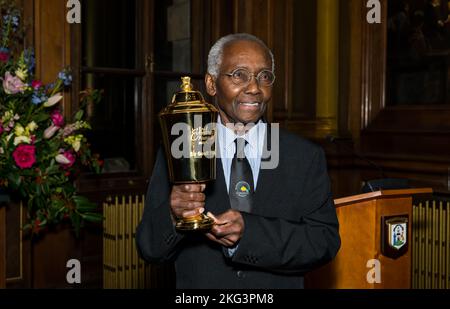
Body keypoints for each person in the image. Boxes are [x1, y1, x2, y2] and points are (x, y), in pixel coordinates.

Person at [136, 33, 340, 289]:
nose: (254, 88)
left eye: (264, 76)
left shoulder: (303, 156)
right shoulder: (182, 146)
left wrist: (249, 235)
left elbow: (324, 241)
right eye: (239, 74)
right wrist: (172, 213)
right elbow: (149, 248)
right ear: (211, 84)